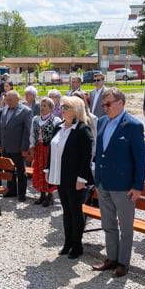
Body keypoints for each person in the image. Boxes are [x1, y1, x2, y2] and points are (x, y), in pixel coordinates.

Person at [92, 89, 145, 277]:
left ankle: (123, 262)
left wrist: (138, 186)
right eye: (103, 105)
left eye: (108, 104)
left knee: (126, 227)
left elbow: (140, 159)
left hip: (124, 186)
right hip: (103, 183)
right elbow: (100, 152)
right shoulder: (101, 122)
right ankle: (111, 258)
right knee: (108, 224)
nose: (105, 108)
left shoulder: (133, 125)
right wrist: (97, 179)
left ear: (121, 102)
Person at [45, 95, 94, 258]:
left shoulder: (82, 129)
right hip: (60, 175)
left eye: (66, 107)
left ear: (76, 110)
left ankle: (77, 246)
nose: (62, 110)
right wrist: (48, 169)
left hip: (75, 179)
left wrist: (82, 179)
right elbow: (51, 150)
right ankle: (68, 243)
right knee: (66, 211)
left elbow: (86, 156)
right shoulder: (58, 127)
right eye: (62, 107)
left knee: (76, 211)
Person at [0, 90, 33, 201]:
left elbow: (27, 131)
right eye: (7, 100)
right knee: (8, 170)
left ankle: (22, 194)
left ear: (18, 99)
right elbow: (2, 128)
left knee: (21, 172)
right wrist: (0, 143)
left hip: (18, 148)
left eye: (10, 100)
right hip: (6, 146)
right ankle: (11, 191)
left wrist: (25, 148)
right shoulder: (4, 109)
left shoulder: (26, 111)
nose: (8, 102)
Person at [29, 97, 61, 207]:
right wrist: (32, 146)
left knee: (49, 171)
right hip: (39, 148)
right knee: (39, 171)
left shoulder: (56, 120)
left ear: (51, 108)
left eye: (45, 106)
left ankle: (50, 195)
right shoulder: (36, 119)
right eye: (41, 106)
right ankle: (42, 194)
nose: (42, 108)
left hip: (49, 149)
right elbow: (32, 134)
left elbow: (58, 136)